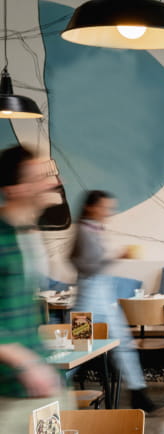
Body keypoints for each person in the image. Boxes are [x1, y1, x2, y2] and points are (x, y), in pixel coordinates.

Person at [0, 146, 68, 432]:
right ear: (15, 189)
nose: (52, 182)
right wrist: (26, 363)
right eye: (39, 177)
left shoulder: (27, 233)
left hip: (36, 383)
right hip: (9, 389)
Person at [70, 190, 155, 412]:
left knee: (122, 344)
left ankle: (138, 393)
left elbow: (79, 260)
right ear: (91, 207)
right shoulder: (84, 231)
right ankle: (54, 384)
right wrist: (118, 255)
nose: (108, 212)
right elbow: (86, 265)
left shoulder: (92, 230)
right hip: (89, 296)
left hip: (100, 294)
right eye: (104, 207)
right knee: (79, 348)